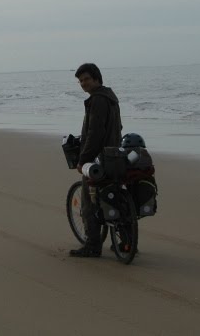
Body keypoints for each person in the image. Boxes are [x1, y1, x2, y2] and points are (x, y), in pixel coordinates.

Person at [70, 62, 122, 258]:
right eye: (80, 81)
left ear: (97, 79)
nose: (83, 83)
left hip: (99, 159)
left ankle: (92, 245)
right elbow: (117, 127)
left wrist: (83, 160)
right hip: (115, 155)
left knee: (89, 203)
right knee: (115, 198)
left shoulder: (98, 100)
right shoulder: (111, 96)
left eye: (87, 79)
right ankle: (125, 240)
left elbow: (95, 133)